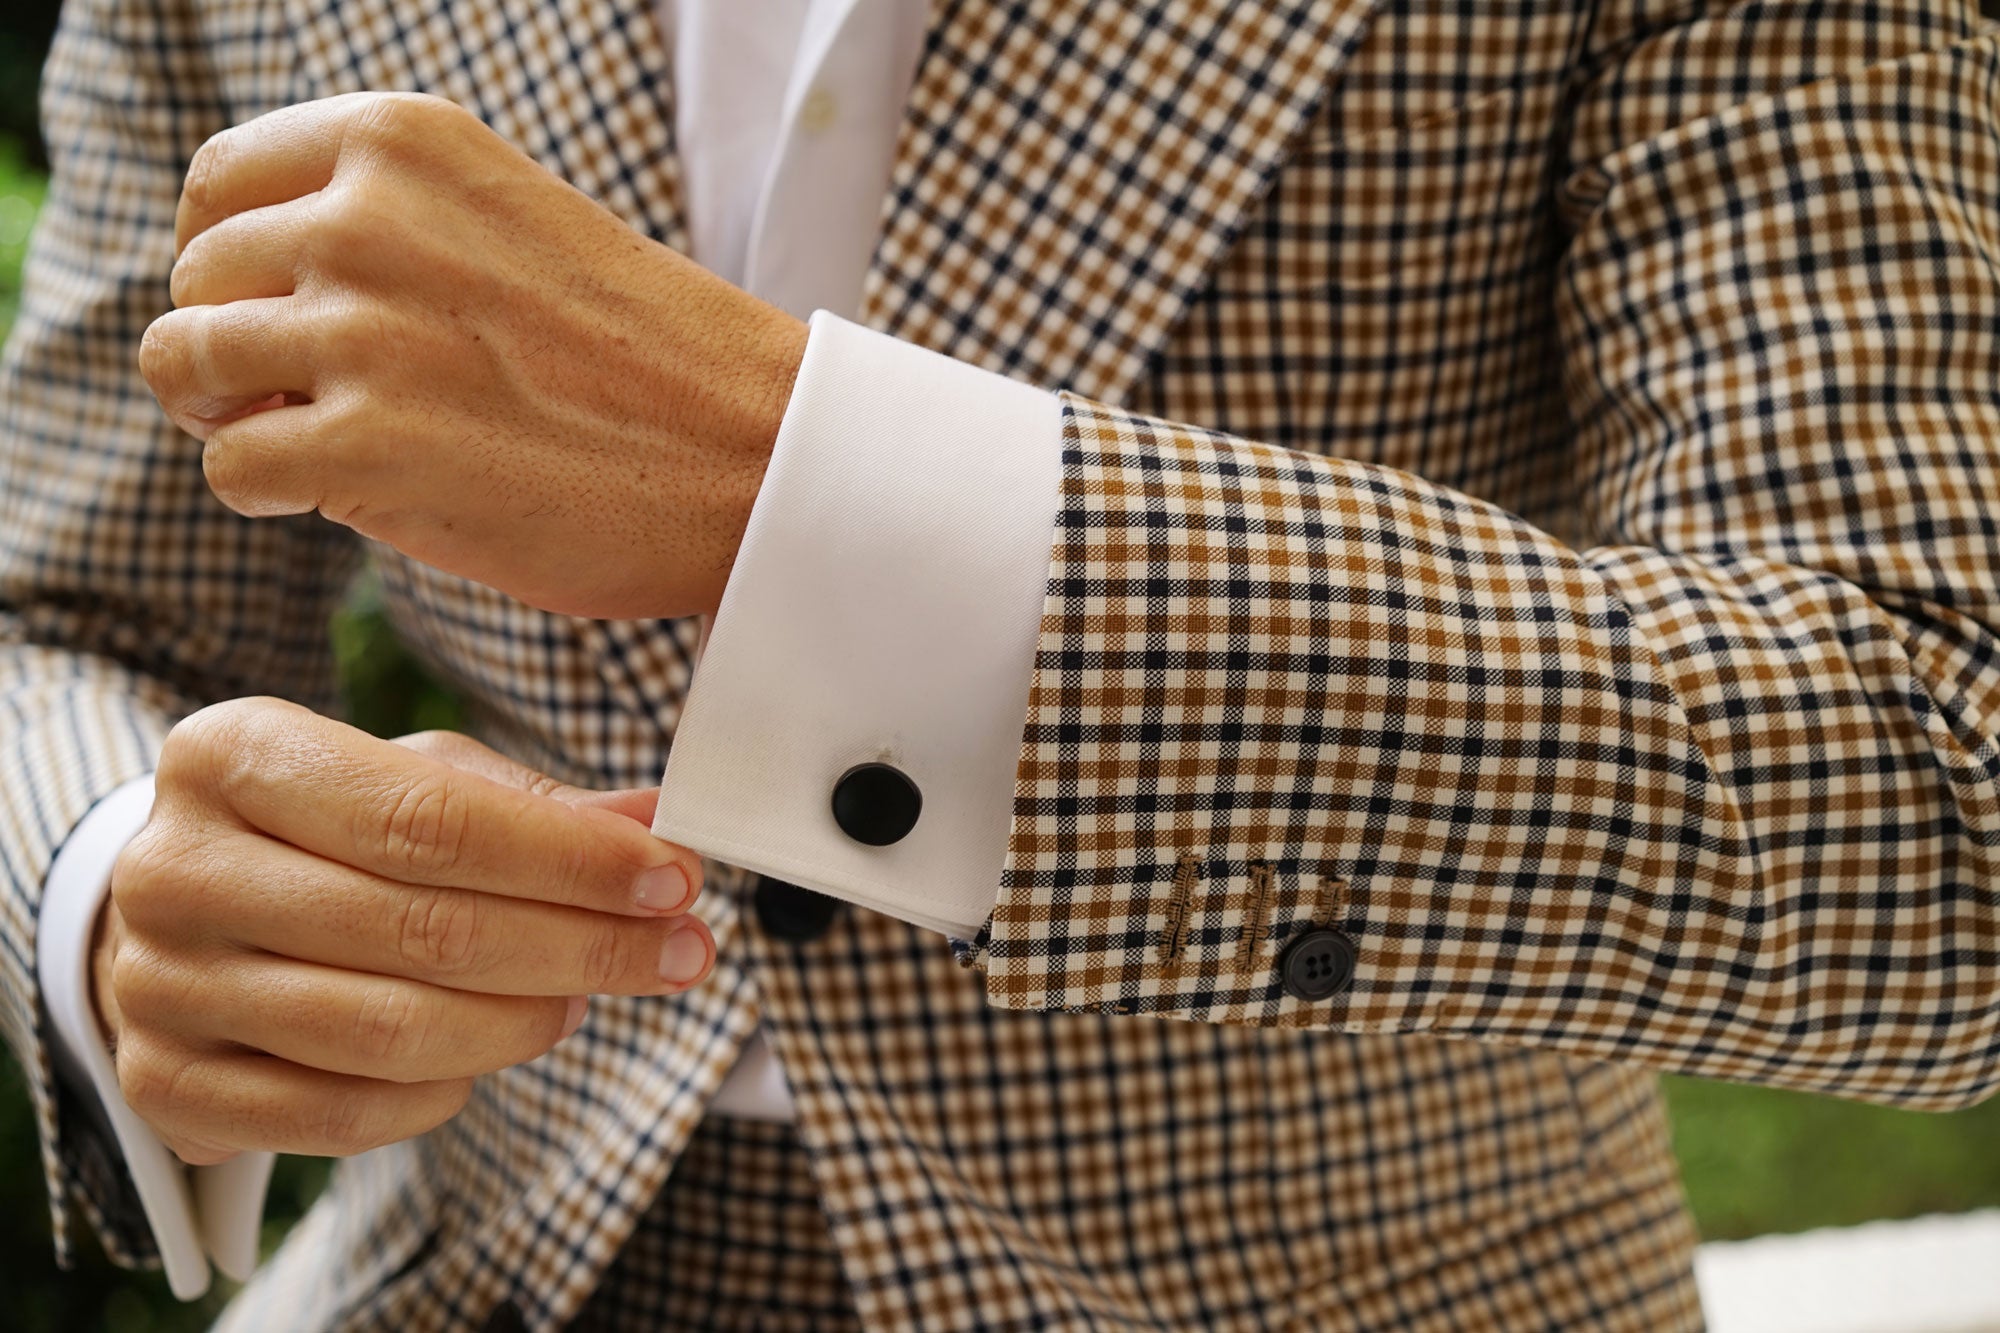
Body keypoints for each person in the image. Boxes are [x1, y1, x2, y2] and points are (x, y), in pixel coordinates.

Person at [3, 0, 1997, 1327]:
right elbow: (64, 611)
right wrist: (112, 885)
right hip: (470, 1261)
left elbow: (1936, 781)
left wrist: (795, 475)